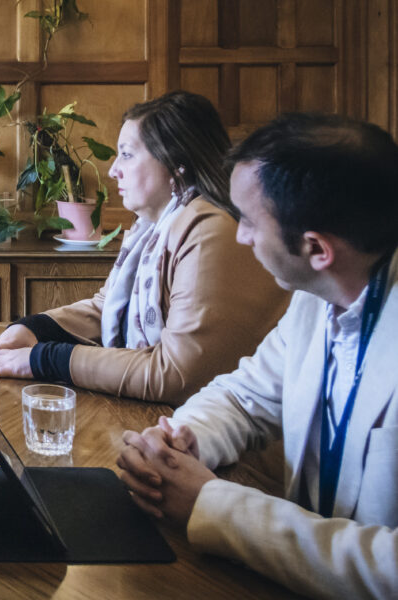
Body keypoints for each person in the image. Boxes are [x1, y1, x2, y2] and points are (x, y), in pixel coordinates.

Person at [118, 113, 398, 599]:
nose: (240, 236)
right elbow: (244, 397)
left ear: (316, 248)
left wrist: (212, 505)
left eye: (247, 220)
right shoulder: (319, 294)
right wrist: (183, 441)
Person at [0, 91, 289, 405]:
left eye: (127, 154)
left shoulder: (209, 230)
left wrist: (43, 359)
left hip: (235, 442)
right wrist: (33, 330)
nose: (113, 170)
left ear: (176, 164)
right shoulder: (151, 228)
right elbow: (106, 309)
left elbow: (176, 375)